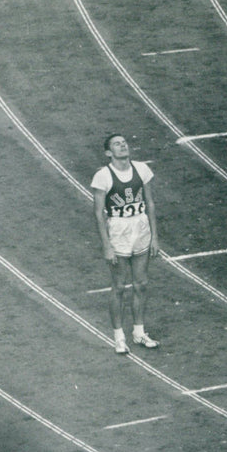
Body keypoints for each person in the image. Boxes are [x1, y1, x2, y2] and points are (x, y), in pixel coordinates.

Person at [91, 134, 160, 354]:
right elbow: (99, 213)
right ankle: (119, 336)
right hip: (119, 231)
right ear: (108, 153)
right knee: (119, 286)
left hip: (140, 228)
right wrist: (107, 245)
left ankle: (139, 332)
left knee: (141, 283)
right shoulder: (103, 176)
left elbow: (149, 203)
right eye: (117, 144)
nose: (123, 145)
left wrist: (155, 237)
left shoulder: (141, 169)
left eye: (124, 142)